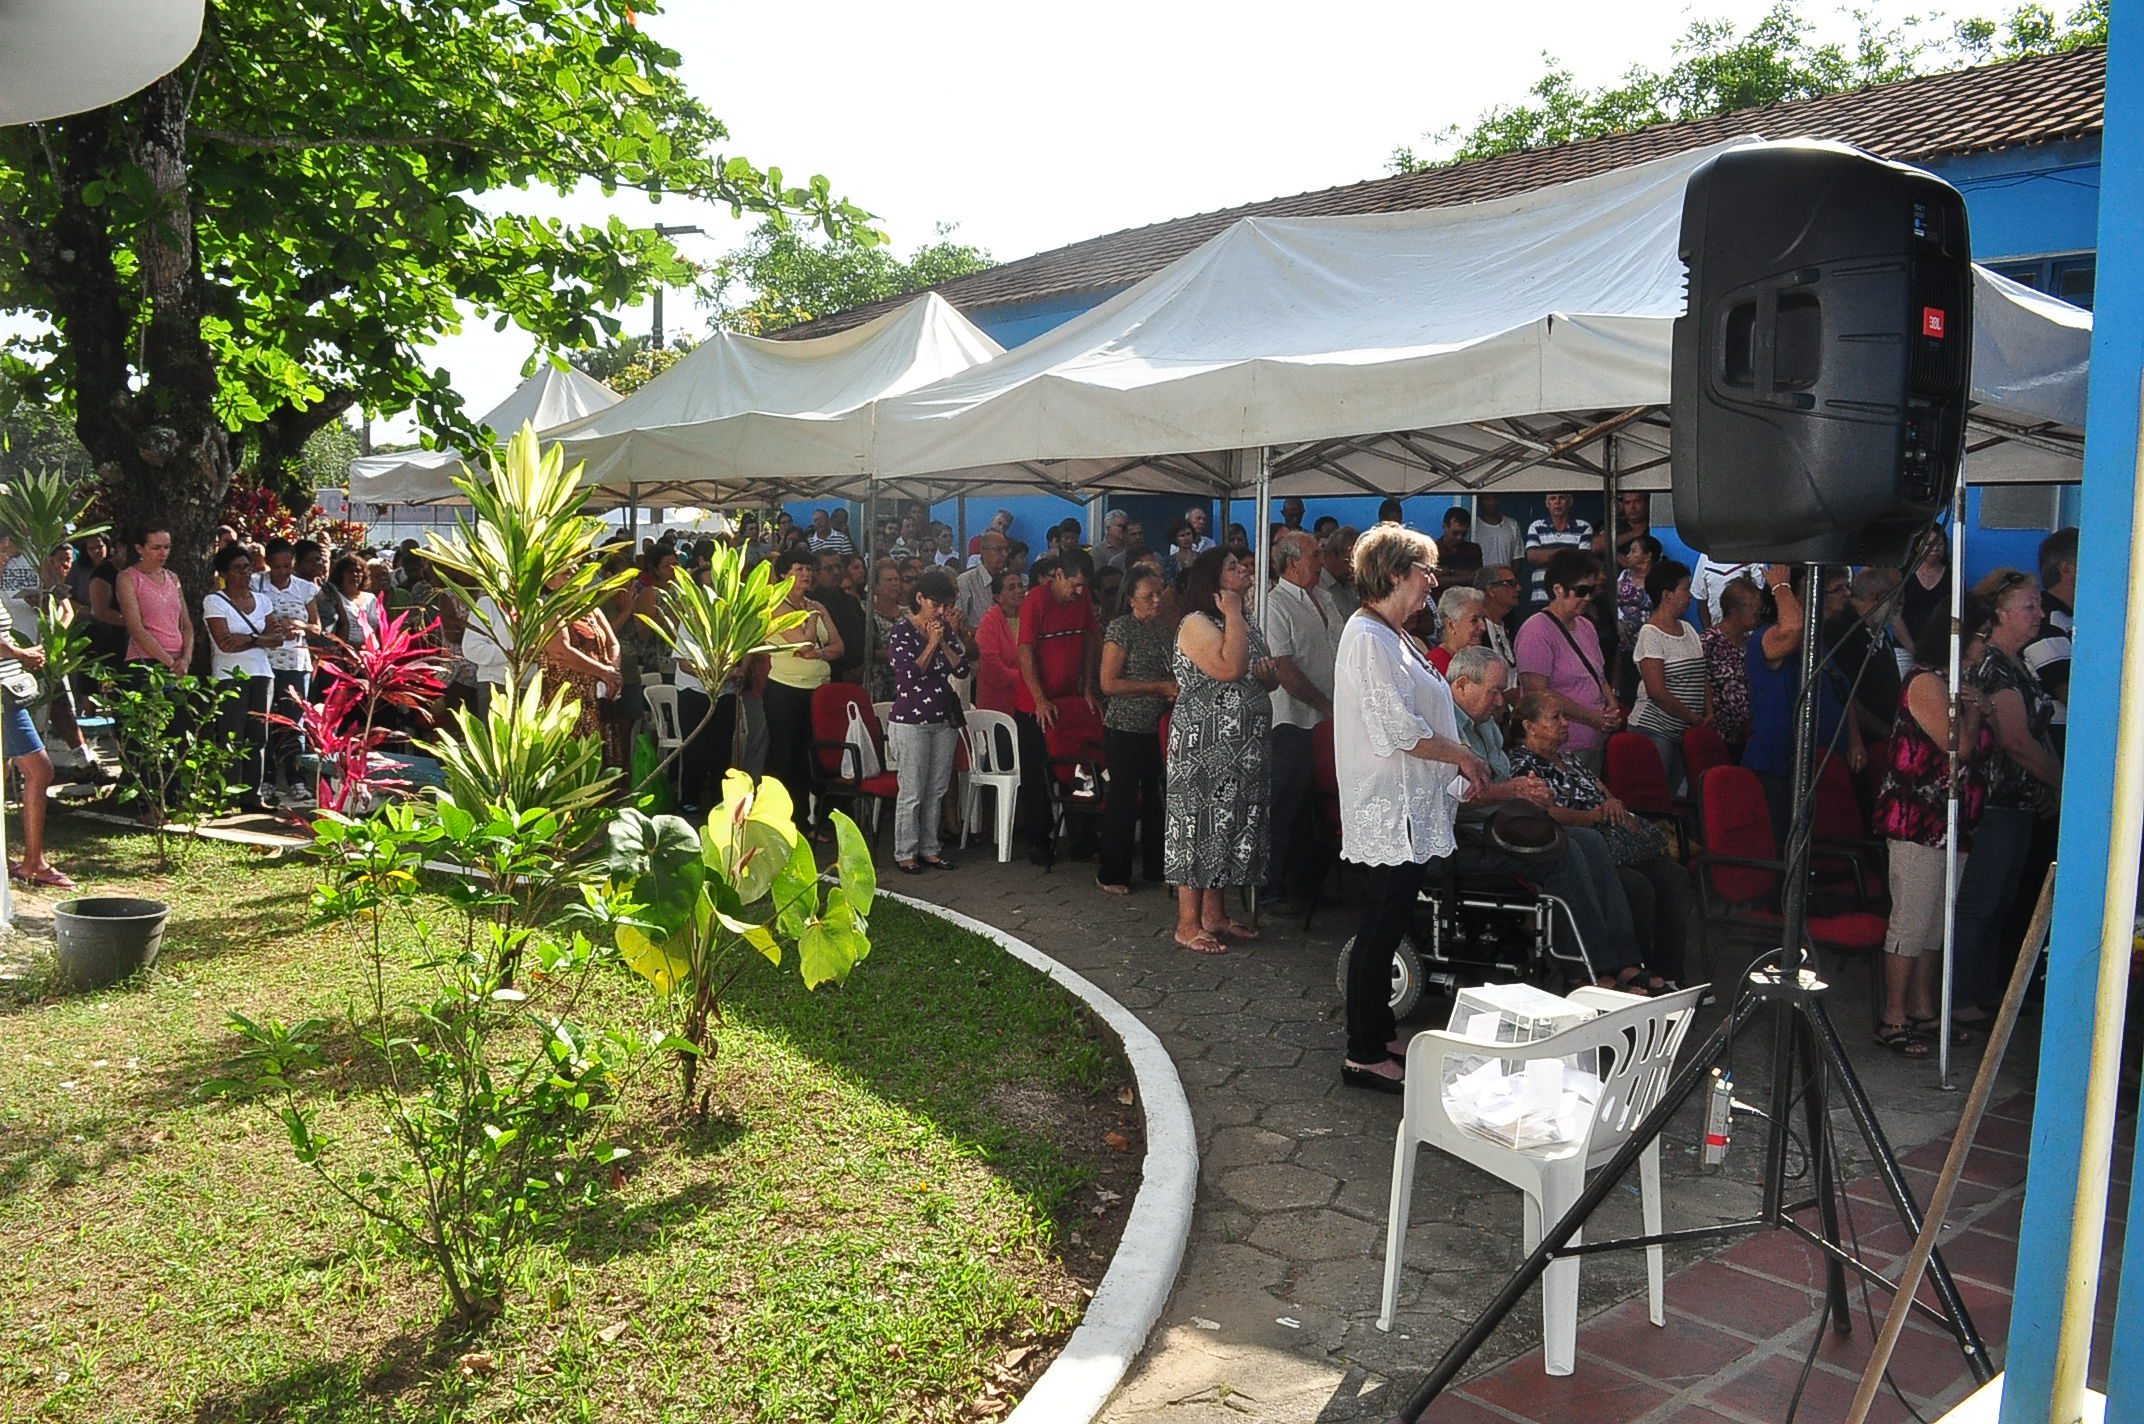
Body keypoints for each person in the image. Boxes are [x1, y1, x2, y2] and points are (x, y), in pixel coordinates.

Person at [1332, 525, 1490, 1092]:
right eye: (1426, 571)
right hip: (1387, 807)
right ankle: (1363, 1051)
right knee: (1380, 924)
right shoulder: (1368, 637)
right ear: (1396, 573)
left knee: (1392, 919)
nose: (1432, 583)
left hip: (1408, 804)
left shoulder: (1394, 634)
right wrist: (1463, 757)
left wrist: (1455, 761)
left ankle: (1376, 1030)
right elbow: (1397, 728)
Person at [1871, 596, 1994, 1057]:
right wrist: (1977, 711)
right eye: (1981, 636)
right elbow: (1956, 744)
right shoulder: (1926, 682)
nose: (1985, 646)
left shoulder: (1958, 683)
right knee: (1911, 918)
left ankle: (1923, 1007)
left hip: (1954, 821)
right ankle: (1893, 1014)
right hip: (1917, 819)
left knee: (1936, 925)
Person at [1505, 687, 1687, 990]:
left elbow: (1604, 792)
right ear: (1529, 726)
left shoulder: (1571, 760)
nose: (1565, 722)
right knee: (1637, 886)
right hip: (1579, 843)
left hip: (1609, 839)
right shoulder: (1523, 765)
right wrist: (1593, 818)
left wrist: (1614, 805)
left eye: (1565, 715)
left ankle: (1668, 971)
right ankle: (1625, 967)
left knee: (1673, 876)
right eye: (1556, 717)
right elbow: (1544, 814)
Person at [1951, 569, 2063, 1023]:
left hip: (2021, 802)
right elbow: (2016, 740)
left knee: (2002, 900)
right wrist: (2062, 785)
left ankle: (1986, 987)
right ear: (2000, 613)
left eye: (2038, 606)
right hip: (1995, 800)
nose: (2039, 614)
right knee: (1981, 899)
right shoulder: (1994, 666)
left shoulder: (2023, 664)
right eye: (2029, 607)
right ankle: (1958, 994)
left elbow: (2040, 730)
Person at [1164, 549, 1279, 953]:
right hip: (1205, 749)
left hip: (1242, 751)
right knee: (1199, 826)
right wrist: (1232, 613)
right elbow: (1229, 668)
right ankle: (1187, 922)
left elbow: (1260, 672)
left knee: (1229, 828)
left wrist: (1268, 678)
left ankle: (1215, 915)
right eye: (1233, 567)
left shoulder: (1242, 619)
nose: (1245, 569)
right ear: (1213, 580)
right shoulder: (1196, 623)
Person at [1743, 566, 1860, 846]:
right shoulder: (1767, 638)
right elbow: (1793, 627)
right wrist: (1781, 586)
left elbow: (1842, 692)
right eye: (1838, 588)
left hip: (1819, 762)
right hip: (1778, 766)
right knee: (1785, 844)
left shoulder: (1818, 640)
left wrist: (1855, 740)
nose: (1847, 595)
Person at [1262, 530, 1339, 911]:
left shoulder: (1323, 597)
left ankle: (1306, 884)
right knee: (1286, 805)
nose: (1321, 560)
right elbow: (1284, 668)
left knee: (1314, 805)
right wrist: (1325, 705)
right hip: (1292, 720)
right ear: (1292, 562)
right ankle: (1272, 887)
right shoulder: (1274, 604)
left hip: (1327, 721)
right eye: (1315, 555)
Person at [1015, 551, 1099, 864]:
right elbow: (1025, 650)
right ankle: (1039, 840)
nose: (1078, 592)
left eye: (1082, 587)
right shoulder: (1036, 599)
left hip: (1069, 700)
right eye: (1074, 585)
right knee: (1038, 773)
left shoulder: (1084, 597)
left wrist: (1088, 688)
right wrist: (1038, 697)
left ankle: (1083, 839)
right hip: (1033, 703)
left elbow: (1090, 640)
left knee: (1079, 768)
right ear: (1059, 575)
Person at [1096, 567, 1176, 895]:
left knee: (1158, 799)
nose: (1157, 601)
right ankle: (1112, 873)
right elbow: (1108, 683)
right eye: (1148, 596)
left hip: (1155, 727)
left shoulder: (1161, 628)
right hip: (1126, 726)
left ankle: (1158, 866)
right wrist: (1157, 687)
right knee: (1124, 800)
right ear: (1131, 600)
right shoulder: (1121, 629)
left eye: (1159, 594)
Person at [885, 568, 967, 875]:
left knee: (936, 787)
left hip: (942, 717)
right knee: (913, 789)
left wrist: (945, 640)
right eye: (935, 604)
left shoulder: (945, 628)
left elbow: (961, 668)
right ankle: (905, 851)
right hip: (911, 720)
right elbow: (907, 677)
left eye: (945, 605)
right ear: (920, 599)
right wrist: (931, 644)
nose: (941, 611)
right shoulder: (901, 631)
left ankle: (931, 848)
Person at [762, 546, 844, 838]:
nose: (806, 574)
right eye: (799, 569)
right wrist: (810, 619)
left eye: (809, 569)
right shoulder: (777, 608)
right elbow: (803, 645)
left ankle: (813, 820)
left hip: (818, 691)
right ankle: (785, 820)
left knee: (815, 756)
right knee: (787, 756)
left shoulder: (816, 605)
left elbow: (837, 646)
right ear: (784, 574)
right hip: (786, 691)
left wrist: (820, 654)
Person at [1515, 549, 1621, 772]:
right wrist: (1592, 717)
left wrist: (1611, 705)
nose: (1588, 598)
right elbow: (1537, 694)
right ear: (1558, 589)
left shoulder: (1586, 626)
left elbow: (1599, 675)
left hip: (1594, 741)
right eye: (1581, 591)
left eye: (1592, 590)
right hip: (1560, 747)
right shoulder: (1536, 631)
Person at [201, 543, 283, 810]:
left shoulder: (263, 601)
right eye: (238, 569)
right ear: (224, 573)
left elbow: (278, 638)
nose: (245, 573)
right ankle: (225, 795)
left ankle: (252, 794)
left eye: (248, 567)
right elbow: (224, 643)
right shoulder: (215, 601)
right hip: (229, 675)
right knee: (230, 736)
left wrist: (248, 639)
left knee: (258, 736)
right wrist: (260, 639)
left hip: (262, 674)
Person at [0, 573, 68, 887]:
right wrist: (18, 653)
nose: (5, 559)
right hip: (4, 698)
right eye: (1, 551)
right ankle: (33, 862)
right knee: (40, 772)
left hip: (8, 691)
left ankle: (17, 860)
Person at [1628, 559, 1710, 792]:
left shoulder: (1690, 630)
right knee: (1657, 794)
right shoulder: (1650, 634)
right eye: (1685, 589)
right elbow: (1657, 692)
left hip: (1686, 730)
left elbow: (1702, 675)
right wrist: (1692, 717)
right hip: (1655, 730)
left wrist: (1708, 712)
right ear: (1667, 595)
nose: (1690, 596)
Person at [542, 576, 625, 768]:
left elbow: (613, 643)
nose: (574, 575)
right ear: (550, 582)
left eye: (576, 571)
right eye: (566, 573)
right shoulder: (551, 612)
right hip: (570, 698)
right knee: (573, 756)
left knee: (604, 753)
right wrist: (603, 672)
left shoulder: (590, 609)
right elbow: (562, 651)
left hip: (600, 695)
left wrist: (613, 672)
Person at [2023, 526, 2076, 750]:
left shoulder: (2071, 617)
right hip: (2056, 739)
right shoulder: (2044, 619)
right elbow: (2071, 694)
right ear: (2067, 569)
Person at [117, 525, 191, 680]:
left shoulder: (172, 577)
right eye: (156, 548)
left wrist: (186, 659)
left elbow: (186, 623)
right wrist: (170, 664)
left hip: (178, 662)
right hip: (145, 662)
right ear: (140, 549)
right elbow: (136, 628)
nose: (163, 553)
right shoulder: (128, 578)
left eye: (167, 547)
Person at [1700, 578, 1761, 756]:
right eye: (1754, 610)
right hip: (1718, 736)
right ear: (1735, 611)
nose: (1758, 615)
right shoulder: (1709, 642)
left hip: (1747, 734)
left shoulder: (1751, 642)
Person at [1523, 493, 1595, 608]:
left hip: (1572, 597)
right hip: (1541, 596)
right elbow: (1532, 556)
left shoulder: (1583, 526)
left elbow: (1582, 559)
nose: (1557, 502)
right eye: (1552, 498)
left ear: (1570, 502)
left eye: (1562, 498)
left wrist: (1547, 555)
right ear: (1547, 504)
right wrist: (1568, 552)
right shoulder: (1536, 526)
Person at [973, 570, 1026, 715]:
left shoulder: (1031, 616)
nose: (1019, 590)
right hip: (998, 704)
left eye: (1020, 586)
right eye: (1011, 588)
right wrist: (1028, 678)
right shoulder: (989, 622)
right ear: (998, 597)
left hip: (1030, 701)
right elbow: (991, 667)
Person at [815, 546, 867, 685]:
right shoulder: (811, 604)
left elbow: (864, 634)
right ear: (816, 572)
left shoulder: (850, 601)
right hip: (826, 677)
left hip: (856, 675)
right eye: (829, 568)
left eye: (839, 566)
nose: (836, 572)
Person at [1427, 585, 1486, 676]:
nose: (1483, 627)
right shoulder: (1435, 666)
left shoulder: (1478, 660)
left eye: (1483, 619)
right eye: (1474, 620)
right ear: (1451, 625)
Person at [1690, 555, 1764, 627]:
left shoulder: (1753, 553)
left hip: (1748, 632)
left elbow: (1760, 594)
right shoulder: (1706, 556)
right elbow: (1701, 598)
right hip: (1716, 627)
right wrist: (1708, 630)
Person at [956, 529, 1009, 629]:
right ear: (983, 551)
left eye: (1006, 549)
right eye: (999, 550)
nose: (1005, 554)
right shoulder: (966, 581)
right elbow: (958, 622)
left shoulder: (1010, 579)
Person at [1475, 564, 1521, 676]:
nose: (1519, 588)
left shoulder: (1512, 625)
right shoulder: (1477, 629)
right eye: (1510, 584)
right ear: (1491, 590)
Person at [1470, 493, 1524, 574]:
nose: (1491, 503)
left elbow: (1517, 559)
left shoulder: (1512, 524)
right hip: (1479, 582)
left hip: (1505, 582)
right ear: (1480, 501)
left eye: (1494, 498)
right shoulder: (1473, 526)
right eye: (1486, 499)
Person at [1318, 526, 1359, 616]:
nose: (1353, 568)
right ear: (1331, 555)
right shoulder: (1317, 586)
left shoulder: (1350, 583)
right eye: (1349, 561)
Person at [1436, 508, 1483, 583]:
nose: (1459, 537)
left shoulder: (1473, 550)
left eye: (1464, 533)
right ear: (1445, 527)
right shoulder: (1433, 550)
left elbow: (1477, 578)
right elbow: (1435, 581)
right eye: (1455, 533)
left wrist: (1448, 571)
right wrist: (1464, 576)